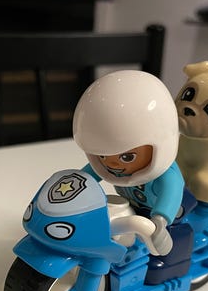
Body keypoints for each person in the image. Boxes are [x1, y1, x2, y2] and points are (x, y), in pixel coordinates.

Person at [73, 70, 185, 257]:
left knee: (159, 254)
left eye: (126, 157)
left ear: (160, 148)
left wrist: (160, 222)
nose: (111, 164)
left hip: (161, 215)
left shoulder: (167, 178)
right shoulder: (106, 166)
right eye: (102, 156)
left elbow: (170, 197)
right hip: (130, 209)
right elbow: (84, 179)